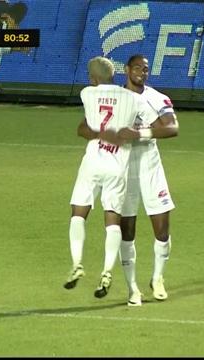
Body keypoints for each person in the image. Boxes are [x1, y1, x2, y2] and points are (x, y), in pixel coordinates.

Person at [77, 54, 179, 306]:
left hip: (150, 166)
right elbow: (84, 126)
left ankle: (157, 278)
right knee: (127, 231)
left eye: (145, 69)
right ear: (126, 70)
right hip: (122, 167)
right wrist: (99, 134)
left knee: (162, 229)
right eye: (137, 68)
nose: (141, 73)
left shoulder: (155, 98)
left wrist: (139, 132)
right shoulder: (113, 97)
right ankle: (132, 288)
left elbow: (172, 127)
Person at [64, 56, 146, 300]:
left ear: (92, 78)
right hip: (117, 165)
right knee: (112, 219)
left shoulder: (86, 94)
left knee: (78, 213)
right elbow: (139, 126)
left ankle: (77, 263)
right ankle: (107, 271)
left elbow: (85, 125)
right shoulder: (133, 99)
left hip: (93, 162)